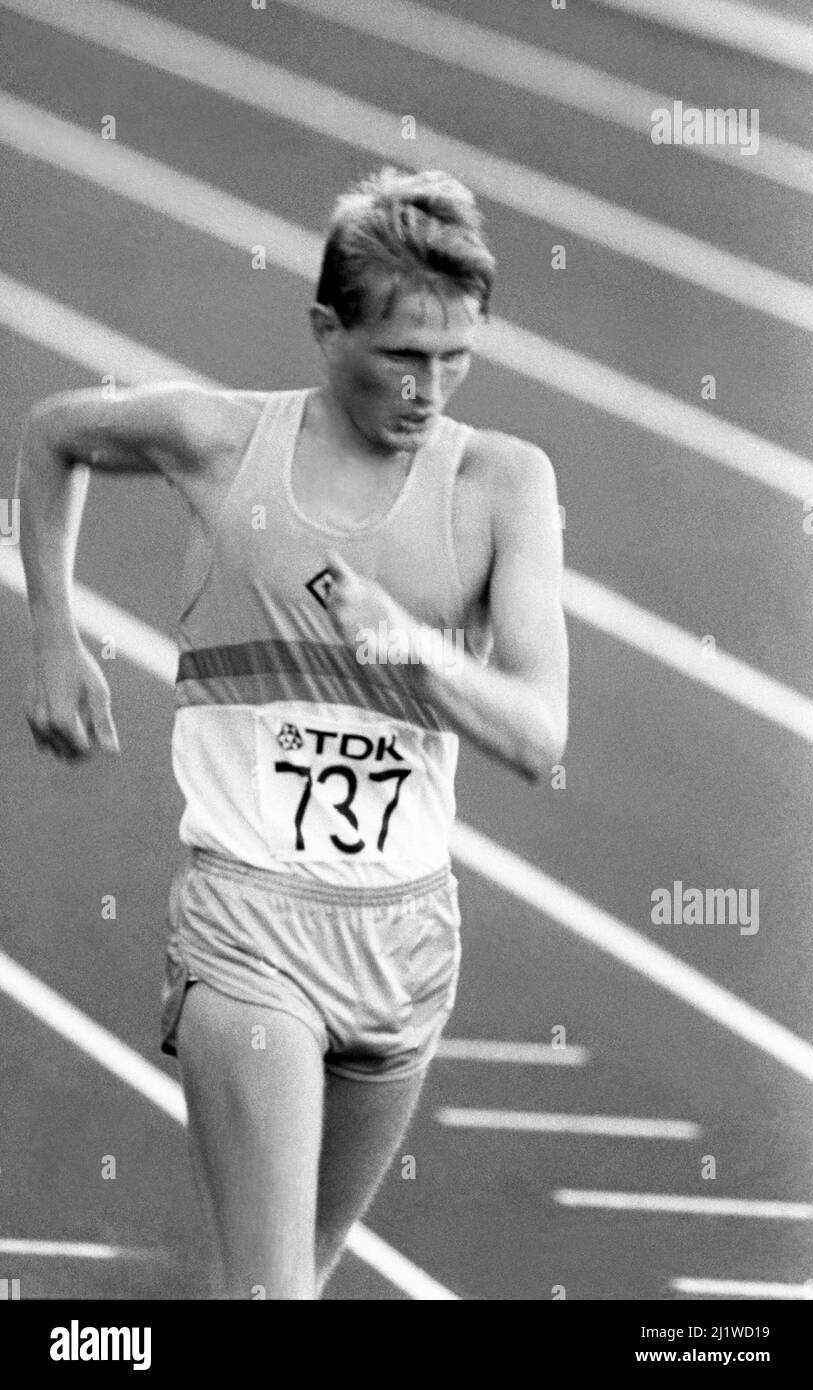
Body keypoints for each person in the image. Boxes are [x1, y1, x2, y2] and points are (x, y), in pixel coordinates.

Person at [16, 166, 569, 1299]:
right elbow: (54, 432)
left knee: (289, 1287)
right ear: (327, 329)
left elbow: (539, 735)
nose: (429, 389)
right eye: (401, 356)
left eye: (456, 357)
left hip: (409, 937)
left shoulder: (501, 483)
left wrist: (405, 643)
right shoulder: (223, 444)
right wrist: (56, 637)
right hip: (250, 928)